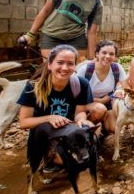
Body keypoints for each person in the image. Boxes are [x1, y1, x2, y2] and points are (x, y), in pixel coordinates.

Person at [17, 44, 106, 172]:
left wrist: (81, 120)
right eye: (60, 62)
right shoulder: (33, 87)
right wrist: (49, 118)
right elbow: (24, 122)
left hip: (68, 130)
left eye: (70, 63)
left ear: (75, 66)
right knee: (64, 160)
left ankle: (88, 148)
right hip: (47, 134)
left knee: (89, 129)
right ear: (50, 65)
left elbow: (79, 112)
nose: (65, 68)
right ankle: (50, 158)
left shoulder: (80, 84)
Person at [76, 40, 128, 134]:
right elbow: (76, 95)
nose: (107, 56)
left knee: (114, 129)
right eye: (104, 53)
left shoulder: (117, 68)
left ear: (115, 57)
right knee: (99, 110)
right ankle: (89, 128)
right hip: (87, 103)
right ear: (97, 54)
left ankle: (102, 124)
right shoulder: (86, 70)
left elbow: (126, 88)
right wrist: (101, 101)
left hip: (108, 102)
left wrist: (119, 91)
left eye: (111, 54)